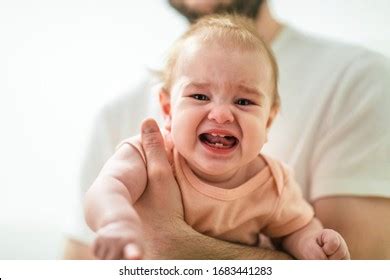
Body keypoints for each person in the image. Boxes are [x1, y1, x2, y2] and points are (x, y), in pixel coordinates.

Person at [64, 0, 390, 259]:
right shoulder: (149, 153)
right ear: (166, 108)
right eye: (200, 96)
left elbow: (297, 228)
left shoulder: (272, 183)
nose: (220, 114)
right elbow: (107, 190)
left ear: (269, 121)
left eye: (244, 102)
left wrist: (312, 244)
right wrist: (117, 220)